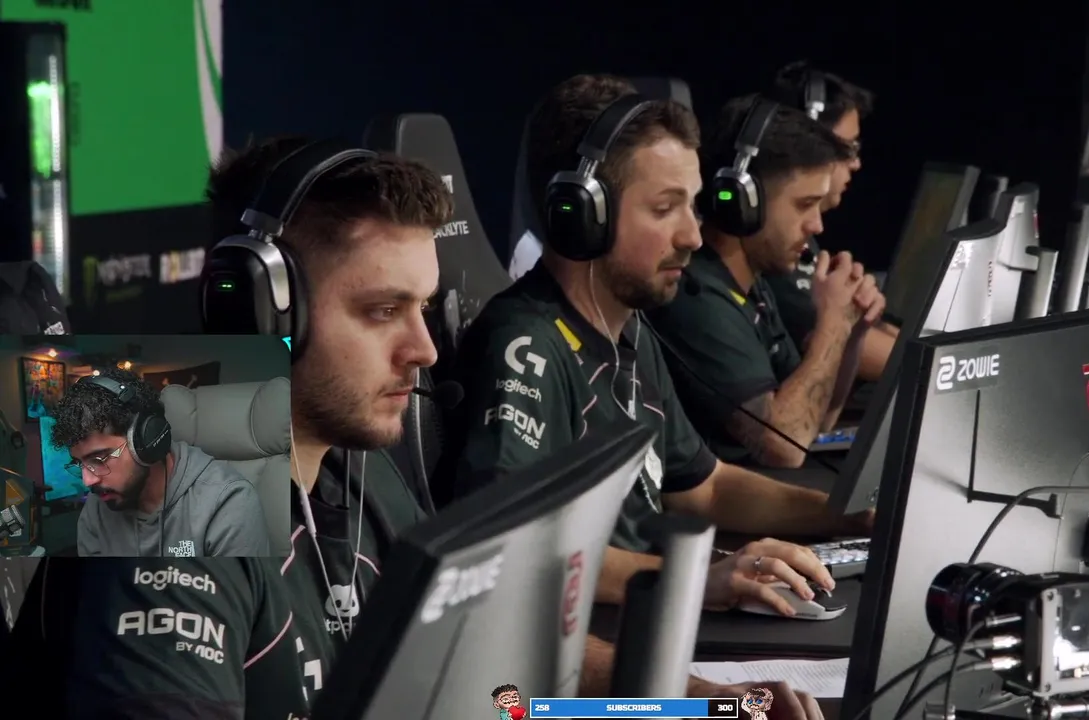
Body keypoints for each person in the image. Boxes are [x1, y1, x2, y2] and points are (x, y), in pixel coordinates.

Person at [1, 137, 823, 720]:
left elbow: (496, 689)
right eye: (381, 310)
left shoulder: (359, 467)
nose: (425, 349)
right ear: (260, 311)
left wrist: (696, 705)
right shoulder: (165, 493)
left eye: (423, 307)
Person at [450, 74, 873, 622]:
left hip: (651, 607)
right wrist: (692, 579)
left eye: (692, 206)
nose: (692, 236)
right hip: (586, 641)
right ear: (583, 215)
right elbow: (509, 549)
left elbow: (706, 488)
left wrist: (853, 515)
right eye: (664, 208)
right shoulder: (525, 346)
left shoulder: (631, 330)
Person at [647, 95, 883, 468]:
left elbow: (817, 420)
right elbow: (785, 445)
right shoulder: (696, 296)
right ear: (746, 202)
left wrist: (852, 330)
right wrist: (834, 325)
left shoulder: (753, 285)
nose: (817, 226)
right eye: (804, 204)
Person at [764, 62, 900, 381]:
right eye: (847, 148)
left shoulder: (804, 234)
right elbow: (896, 362)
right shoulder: (774, 246)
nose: (856, 163)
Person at [51, 367, 271, 557]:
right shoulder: (97, 507)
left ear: (146, 441)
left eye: (98, 459)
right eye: (80, 463)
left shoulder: (228, 503)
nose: (88, 481)